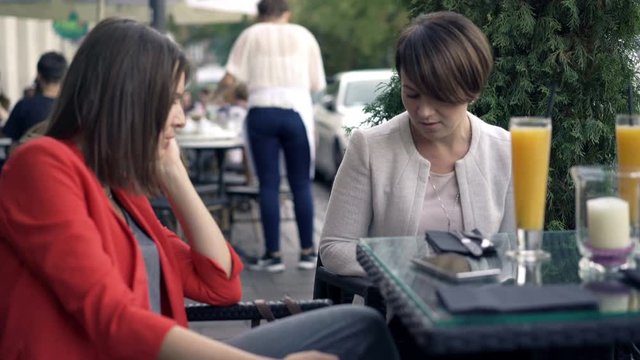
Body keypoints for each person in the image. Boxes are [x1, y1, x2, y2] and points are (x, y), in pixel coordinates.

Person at [0, 17, 399, 360]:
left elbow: (220, 284)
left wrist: (175, 174)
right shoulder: (42, 167)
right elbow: (112, 318)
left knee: (360, 323)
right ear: (131, 98)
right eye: (173, 101)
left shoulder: (120, 189)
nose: (181, 119)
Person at [320, 11, 516, 278]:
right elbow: (335, 248)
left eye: (439, 97)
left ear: (472, 89)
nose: (423, 111)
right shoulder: (370, 147)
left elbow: (513, 251)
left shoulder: (504, 150)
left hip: (482, 312)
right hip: (400, 314)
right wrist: (408, 268)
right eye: (411, 94)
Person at [214, 0, 326, 272]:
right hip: (295, 113)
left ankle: (273, 255)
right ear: (287, 12)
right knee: (300, 183)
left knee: (268, 184)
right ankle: (307, 252)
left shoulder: (250, 35)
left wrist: (215, 99)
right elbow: (317, 84)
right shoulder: (304, 36)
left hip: (261, 111)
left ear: (259, 14)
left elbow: (230, 77)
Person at [2, 51, 67, 143]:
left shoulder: (23, 106)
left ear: (38, 75)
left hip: (28, 156)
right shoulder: (70, 108)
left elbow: (8, 137)